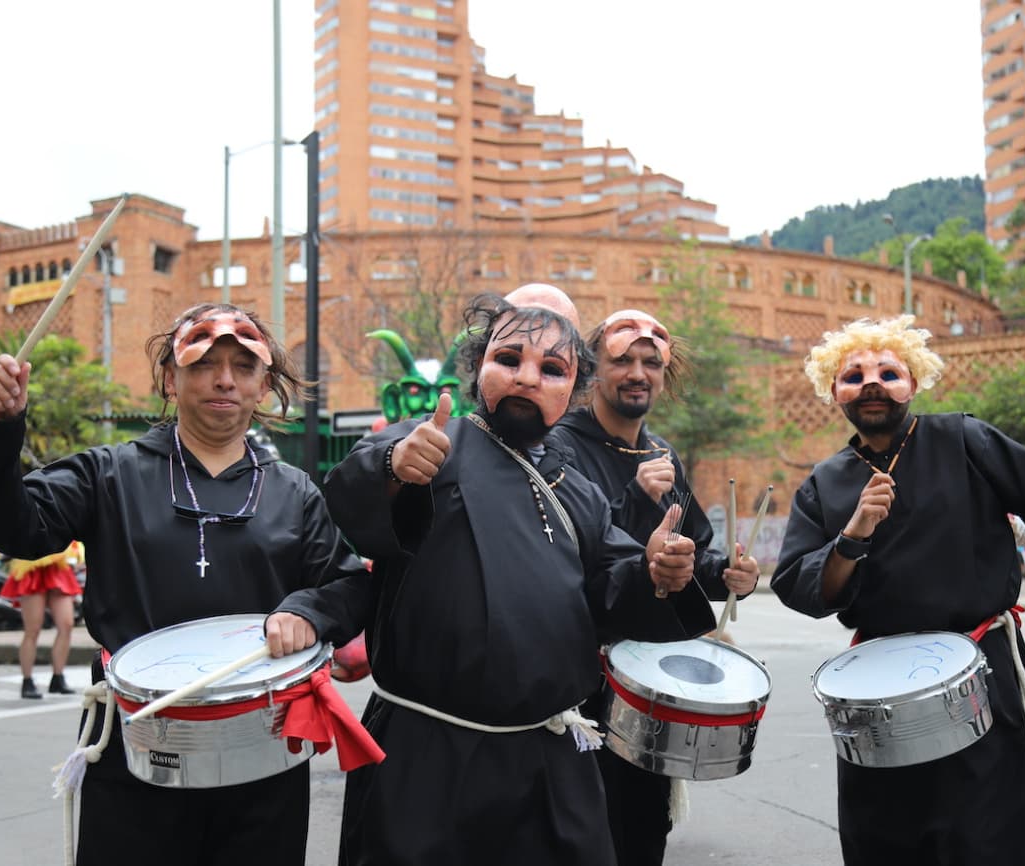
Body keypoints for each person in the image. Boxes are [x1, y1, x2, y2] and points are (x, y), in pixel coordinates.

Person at [265, 292, 717, 865]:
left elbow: (612, 585)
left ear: (573, 388)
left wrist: (656, 572)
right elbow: (357, 506)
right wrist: (395, 470)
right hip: (427, 757)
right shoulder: (428, 442)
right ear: (479, 367)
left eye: (552, 369)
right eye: (509, 359)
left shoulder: (579, 491)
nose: (528, 377)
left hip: (552, 757)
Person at [0, 303, 371, 865]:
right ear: (170, 379)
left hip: (264, 741)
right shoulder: (109, 473)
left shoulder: (295, 491)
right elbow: (10, 526)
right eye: (204, 363)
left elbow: (346, 587)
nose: (224, 379)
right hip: (135, 742)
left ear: (264, 387)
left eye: (243, 367)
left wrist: (307, 611)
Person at [772, 315, 1025, 866]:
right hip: (876, 684)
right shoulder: (824, 483)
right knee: (885, 836)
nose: (871, 382)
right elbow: (802, 584)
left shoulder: (962, 439)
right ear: (833, 391)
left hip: (981, 662)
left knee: (986, 833)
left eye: (888, 371)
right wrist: (852, 537)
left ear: (915, 382)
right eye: (853, 375)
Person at [551, 308, 759, 865]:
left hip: (650, 682)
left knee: (642, 831)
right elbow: (571, 552)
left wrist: (729, 573)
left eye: (651, 363)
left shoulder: (663, 452)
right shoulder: (560, 447)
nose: (638, 373)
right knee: (580, 832)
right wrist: (635, 502)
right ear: (593, 369)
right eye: (623, 361)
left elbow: (691, 550)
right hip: (578, 678)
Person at [0, 541, 82, 699]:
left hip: (58, 565)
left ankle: (58, 677)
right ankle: (27, 680)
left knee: (67, 625)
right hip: (31, 565)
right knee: (33, 629)